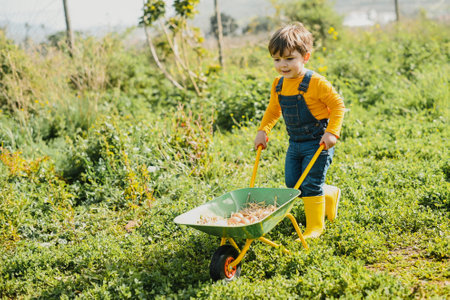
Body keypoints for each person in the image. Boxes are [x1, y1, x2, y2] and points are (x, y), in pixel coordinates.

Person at [254, 22, 345, 239]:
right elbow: (273, 110)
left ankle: (315, 227)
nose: (282, 65)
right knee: (293, 184)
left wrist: (332, 132)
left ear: (305, 56)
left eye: (289, 58)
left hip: (318, 141)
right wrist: (262, 130)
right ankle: (329, 194)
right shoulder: (278, 84)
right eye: (277, 60)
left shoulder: (316, 83)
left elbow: (338, 105)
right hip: (295, 143)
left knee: (311, 184)